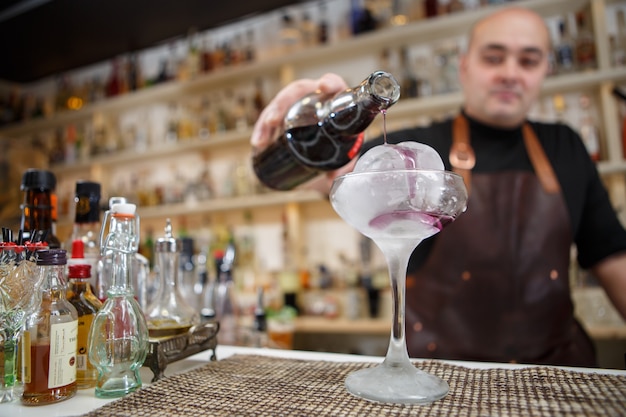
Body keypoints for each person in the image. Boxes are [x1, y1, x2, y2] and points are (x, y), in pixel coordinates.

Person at [251, 6, 626, 367]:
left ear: (546, 68)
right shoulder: (414, 150)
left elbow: (612, 257)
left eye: (528, 60)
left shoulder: (567, 146)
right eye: (494, 58)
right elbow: (327, 175)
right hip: (442, 378)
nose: (510, 73)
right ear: (464, 67)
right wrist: (289, 134)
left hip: (556, 377)